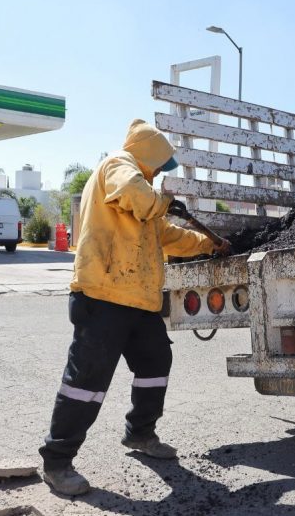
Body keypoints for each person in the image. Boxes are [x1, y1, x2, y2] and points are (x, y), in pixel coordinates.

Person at [39, 119, 230, 496]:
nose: (160, 173)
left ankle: (140, 434)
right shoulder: (119, 166)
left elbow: (169, 236)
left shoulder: (146, 202)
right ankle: (57, 462)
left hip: (139, 302)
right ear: (147, 156)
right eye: (159, 165)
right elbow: (136, 193)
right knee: (86, 383)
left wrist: (209, 245)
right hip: (103, 296)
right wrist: (162, 203)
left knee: (155, 365)